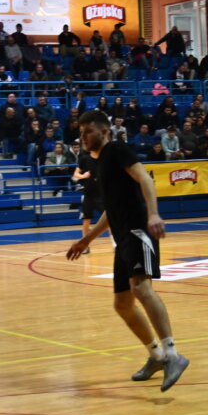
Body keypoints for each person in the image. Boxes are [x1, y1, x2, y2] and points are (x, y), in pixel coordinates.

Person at [66, 110, 189, 391]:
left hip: (138, 230)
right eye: (81, 132)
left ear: (104, 131)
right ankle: (156, 357)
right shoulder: (100, 163)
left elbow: (145, 179)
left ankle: (173, 355)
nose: (84, 137)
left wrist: (154, 215)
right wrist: (87, 240)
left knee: (141, 288)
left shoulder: (117, 150)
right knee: (122, 304)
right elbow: (110, 210)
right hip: (122, 237)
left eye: (88, 131)